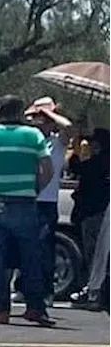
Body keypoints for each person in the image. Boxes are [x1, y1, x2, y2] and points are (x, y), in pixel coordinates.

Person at [0, 94, 55, 326]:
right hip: (25, 202)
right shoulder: (34, 135)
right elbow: (47, 169)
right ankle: (36, 307)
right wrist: (34, 188)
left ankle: (1, 309)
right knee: (30, 257)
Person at [26, 97, 71, 302]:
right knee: (27, 247)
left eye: (42, 118)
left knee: (45, 247)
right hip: (27, 198)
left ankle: (45, 291)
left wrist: (49, 114)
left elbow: (68, 127)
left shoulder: (57, 143)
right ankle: (25, 287)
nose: (38, 121)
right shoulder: (31, 140)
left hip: (47, 201)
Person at [69, 128, 111, 308]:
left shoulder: (100, 162)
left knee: (95, 255)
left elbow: (76, 167)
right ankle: (94, 290)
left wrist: (75, 149)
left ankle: (95, 292)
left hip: (95, 213)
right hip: (95, 211)